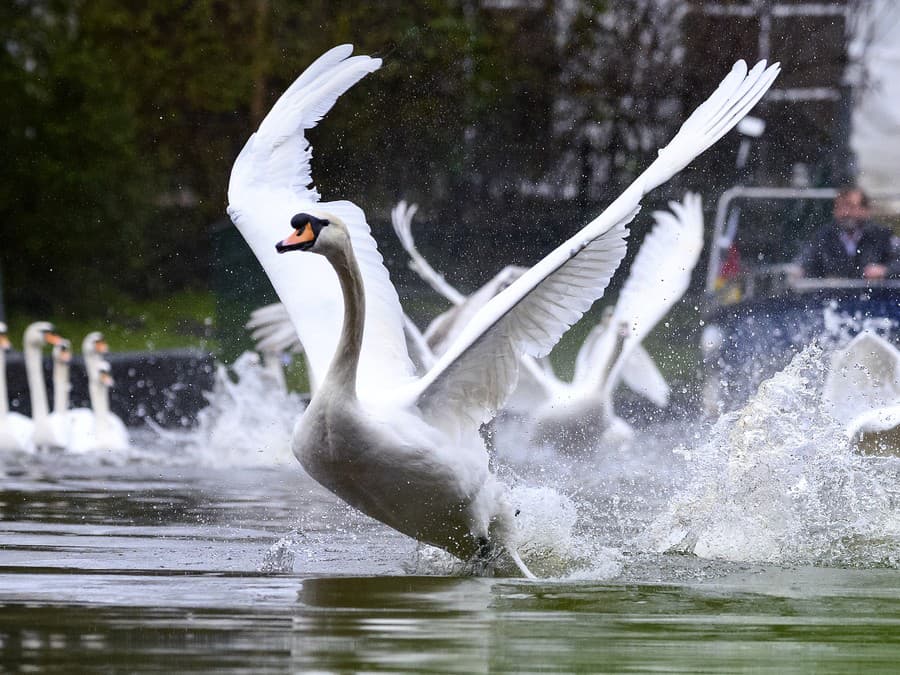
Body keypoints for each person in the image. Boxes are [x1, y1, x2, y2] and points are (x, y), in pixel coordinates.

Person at [795, 187, 900, 280]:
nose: (845, 213)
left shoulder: (882, 235)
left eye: (851, 207)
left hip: (876, 299)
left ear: (865, 210)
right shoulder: (824, 236)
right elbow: (805, 263)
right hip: (834, 299)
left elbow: (898, 262)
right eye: (840, 207)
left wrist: (885, 271)